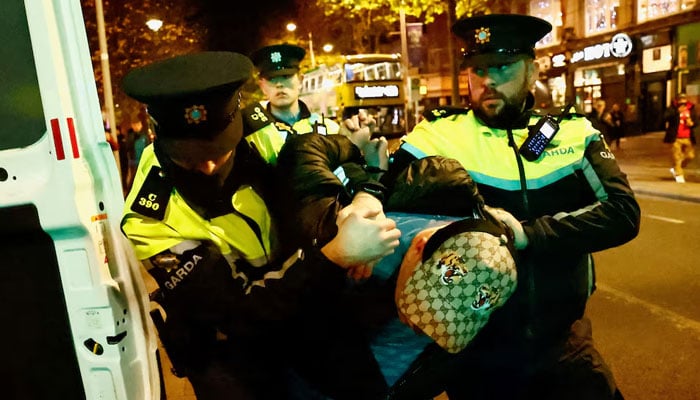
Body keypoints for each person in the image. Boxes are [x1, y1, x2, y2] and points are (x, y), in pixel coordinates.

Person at [379, 13, 640, 400]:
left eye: (502, 66)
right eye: (478, 68)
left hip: (564, 344)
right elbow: (383, 203)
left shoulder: (573, 133)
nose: (488, 80)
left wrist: (529, 234)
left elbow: (623, 213)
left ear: (532, 71)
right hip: (478, 354)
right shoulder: (436, 134)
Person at [119, 51, 401, 400]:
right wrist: (337, 255)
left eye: (220, 150)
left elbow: (321, 153)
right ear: (156, 133)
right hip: (229, 345)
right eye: (189, 157)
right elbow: (237, 312)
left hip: (304, 302)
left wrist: (362, 201)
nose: (208, 166)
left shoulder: (259, 136)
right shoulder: (149, 217)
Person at [242, 43, 342, 164]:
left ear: (300, 80)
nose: (279, 84)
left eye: (286, 76)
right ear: (262, 86)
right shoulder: (250, 132)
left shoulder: (330, 129)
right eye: (271, 78)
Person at [664, 93, 696, 183]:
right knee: (677, 157)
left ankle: (677, 167)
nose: (682, 101)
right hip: (676, 137)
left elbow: (696, 120)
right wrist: (677, 112)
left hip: (688, 137)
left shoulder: (691, 109)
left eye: (684, 99)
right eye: (680, 99)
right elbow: (665, 117)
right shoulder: (672, 108)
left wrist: (692, 123)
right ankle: (679, 175)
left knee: (690, 156)